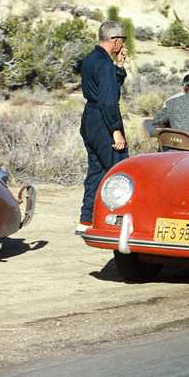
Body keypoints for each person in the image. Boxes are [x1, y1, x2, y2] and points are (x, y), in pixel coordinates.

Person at [77, 21, 129, 234]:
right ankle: (120, 220)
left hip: (89, 118)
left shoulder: (91, 59)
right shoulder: (104, 64)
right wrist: (115, 130)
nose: (122, 43)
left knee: (96, 170)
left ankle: (86, 220)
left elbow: (106, 87)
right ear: (115, 40)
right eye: (122, 39)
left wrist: (119, 67)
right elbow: (108, 99)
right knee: (121, 169)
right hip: (102, 119)